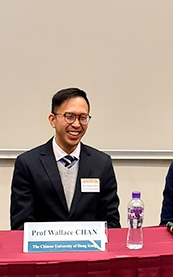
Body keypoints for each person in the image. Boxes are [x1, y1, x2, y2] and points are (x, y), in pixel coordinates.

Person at [10, 87, 120, 229]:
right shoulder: (28, 164)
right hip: (44, 249)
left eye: (83, 118)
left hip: (90, 249)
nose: (76, 124)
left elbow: (111, 222)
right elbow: (21, 226)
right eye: (69, 116)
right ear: (52, 120)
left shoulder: (101, 163)